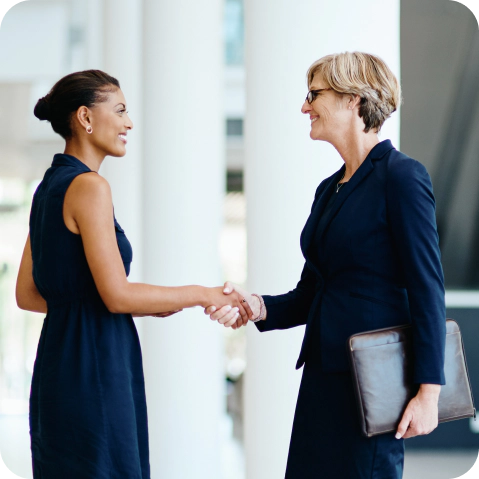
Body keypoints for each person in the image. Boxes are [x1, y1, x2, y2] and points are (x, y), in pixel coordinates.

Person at [209, 52, 446, 478]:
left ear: (354, 99)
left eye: (314, 94)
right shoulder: (328, 190)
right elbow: (312, 291)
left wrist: (429, 393)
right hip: (323, 377)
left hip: (374, 383)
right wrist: (257, 305)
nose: (305, 107)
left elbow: (427, 288)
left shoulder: (402, 176)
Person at [15, 70, 252, 479]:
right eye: (120, 111)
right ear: (86, 118)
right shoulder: (91, 188)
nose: (129, 123)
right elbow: (117, 297)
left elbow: (28, 294)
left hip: (58, 366)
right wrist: (202, 293)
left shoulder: (47, 187)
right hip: (97, 369)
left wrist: (125, 301)